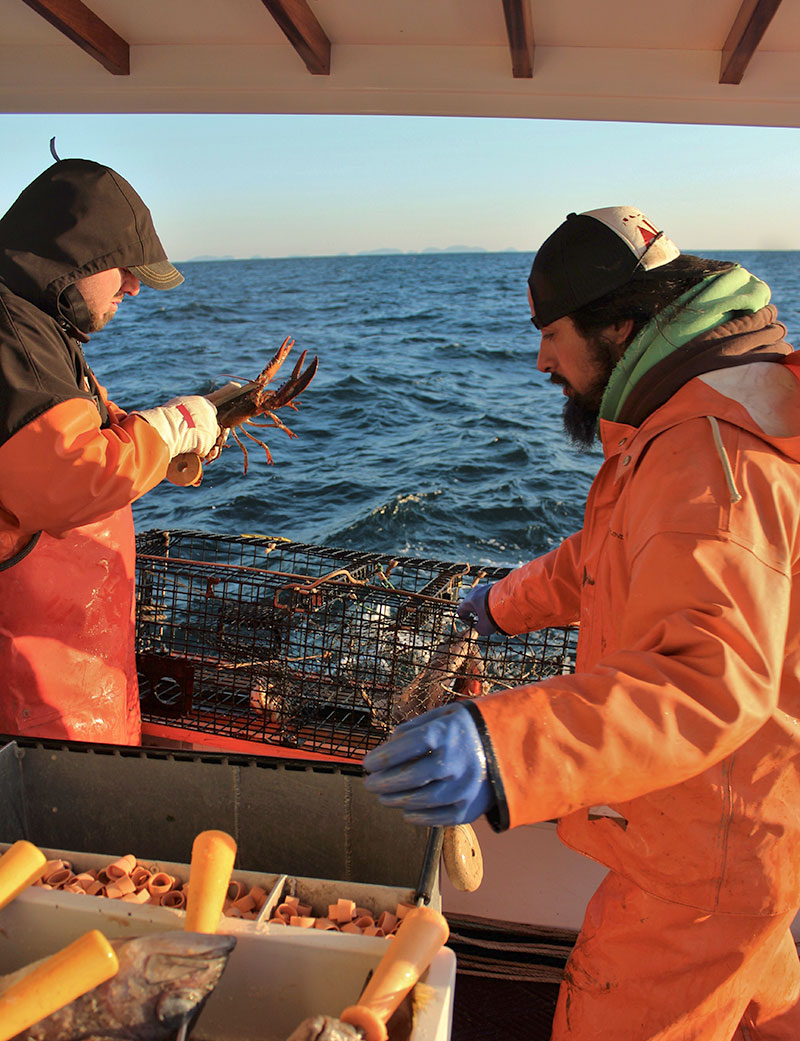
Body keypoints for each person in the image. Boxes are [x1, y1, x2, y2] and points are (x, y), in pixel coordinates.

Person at [363, 207, 800, 1039]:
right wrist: (501, 603)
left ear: (622, 324)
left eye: (552, 332)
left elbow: (707, 678)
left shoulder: (707, 450)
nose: (540, 360)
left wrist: (503, 746)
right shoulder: (695, 416)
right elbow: (612, 553)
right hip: (746, 834)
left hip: (697, 868)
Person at [0, 157, 222, 744]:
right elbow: (65, 474)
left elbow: (83, 432)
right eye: (124, 268)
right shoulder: (10, 333)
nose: (133, 285)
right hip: (25, 690)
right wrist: (171, 426)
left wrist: (160, 446)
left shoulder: (39, 328)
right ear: (79, 258)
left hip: (69, 672)